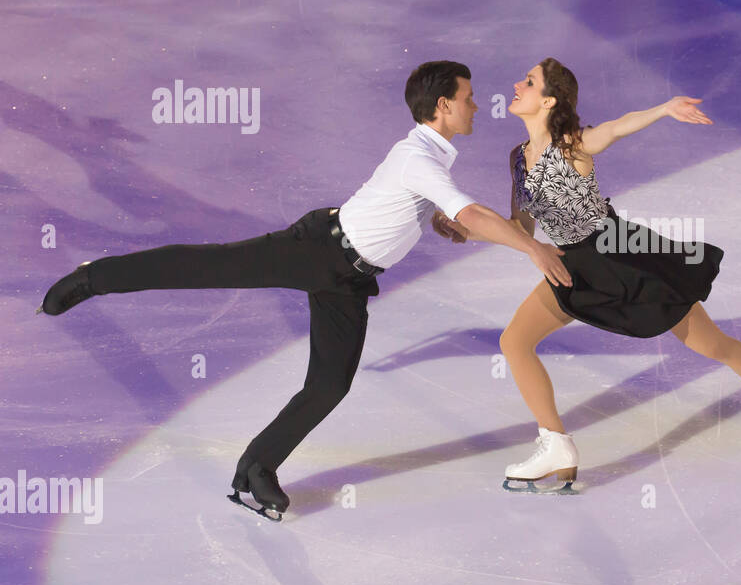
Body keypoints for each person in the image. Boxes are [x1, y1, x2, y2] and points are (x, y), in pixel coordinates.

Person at [39, 61, 571, 519]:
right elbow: (472, 211)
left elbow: (459, 216)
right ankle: (95, 276)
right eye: (467, 99)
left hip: (350, 277)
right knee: (207, 267)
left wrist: (447, 223)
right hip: (318, 248)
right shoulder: (419, 156)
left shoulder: (432, 159)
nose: (476, 106)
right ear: (442, 107)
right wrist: (533, 248)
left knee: (329, 384)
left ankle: (256, 469)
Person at [432, 58, 741, 492]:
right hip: (569, 265)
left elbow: (617, 127)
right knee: (514, 341)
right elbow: (521, 231)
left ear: (548, 100)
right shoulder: (517, 159)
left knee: (712, 344)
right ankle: (555, 444)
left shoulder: (573, 145)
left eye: (528, 82)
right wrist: (467, 232)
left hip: (619, 257)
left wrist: (663, 109)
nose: (516, 84)